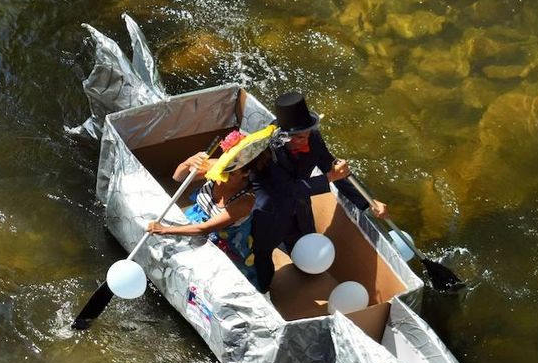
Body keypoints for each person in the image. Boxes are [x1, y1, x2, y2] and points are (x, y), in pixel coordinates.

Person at [248, 91, 388, 292]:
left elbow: (332, 167)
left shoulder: (312, 138)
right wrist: (330, 177)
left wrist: (369, 203)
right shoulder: (267, 152)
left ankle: (306, 272)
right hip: (269, 214)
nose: (304, 141)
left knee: (306, 250)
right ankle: (263, 290)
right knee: (262, 258)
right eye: (297, 138)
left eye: (306, 134)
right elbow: (288, 189)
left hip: (300, 208)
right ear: (283, 137)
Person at [146, 129, 270, 286]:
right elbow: (178, 178)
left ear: (247, 173)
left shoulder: (245, 201)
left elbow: (204, 229)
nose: (224, 174)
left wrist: (164, 229)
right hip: (194, 221)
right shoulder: (217, 166)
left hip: (222, 240)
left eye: (232, 173)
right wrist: (188, 163)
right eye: (224, 168)